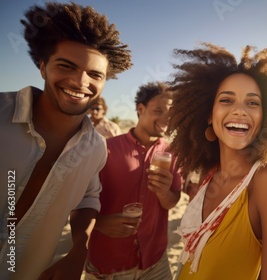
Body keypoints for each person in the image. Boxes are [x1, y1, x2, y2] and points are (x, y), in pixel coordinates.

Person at [0, 2, 131, 279]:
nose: (80, 81)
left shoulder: (96, 147)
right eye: (66, 65)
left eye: (95, 74)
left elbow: (88, 198)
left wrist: (79, 250)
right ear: (43, 66)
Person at [167, 43, 267, 279]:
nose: (240, 111)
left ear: (266, 116)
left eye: (252, 103)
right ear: (209, 115)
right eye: (227, 100)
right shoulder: (210, 175)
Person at [85, 82, 181, 279]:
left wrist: (164, 192)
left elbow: (173, 201)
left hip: (156, 262)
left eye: (170, 112)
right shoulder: (106, 149)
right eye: (159, 110)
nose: (166, 117)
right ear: (140, 109)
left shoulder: (172, 153)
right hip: (109, 265)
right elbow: (78, 200)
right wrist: (99, 223)